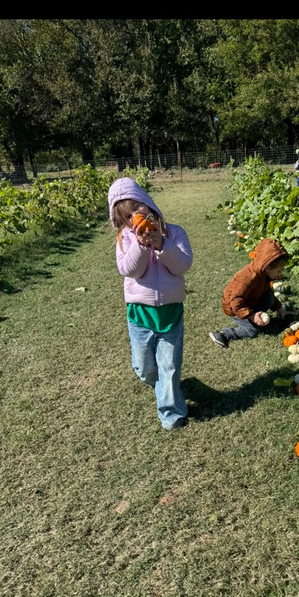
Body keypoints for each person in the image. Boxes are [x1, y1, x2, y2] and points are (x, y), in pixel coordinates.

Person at [108, 177, 192, 430]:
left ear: (148, 203)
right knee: (146, 370)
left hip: (170, 313)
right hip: (140, 315)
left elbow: (182, 266)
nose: (136, 215)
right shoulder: (126, 238)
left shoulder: (174, 233)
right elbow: (129, 270)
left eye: (137, 207)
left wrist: (161, 245)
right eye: (128, 215)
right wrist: (142, 248)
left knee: (168, 367)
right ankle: (157, 383)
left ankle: (171, 414)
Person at [209, 238, 295, 348]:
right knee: (252, 331)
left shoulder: (264, 275)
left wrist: (280, 310)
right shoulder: (248, 278)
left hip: (249, 302)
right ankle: (223, 334)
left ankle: (255, 318)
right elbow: (236, 302)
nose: (280, 274)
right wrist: (251, 315)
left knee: (269, 297)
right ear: (268, 267)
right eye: (278, 271)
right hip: (235, 308)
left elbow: (267, 292)